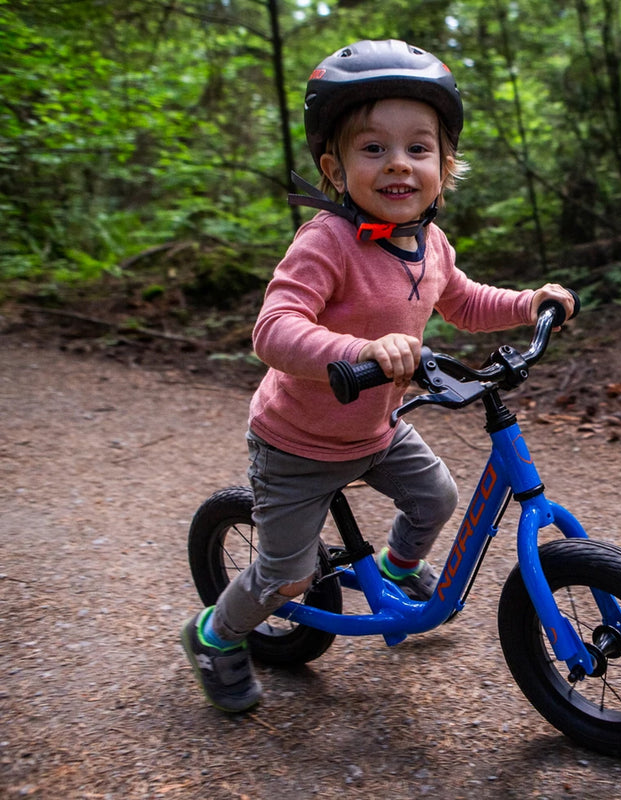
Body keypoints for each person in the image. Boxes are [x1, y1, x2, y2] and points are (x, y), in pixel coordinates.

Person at [181, 39, 575, 713]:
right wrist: (361, 348)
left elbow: (463, 300)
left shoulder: (432, 242)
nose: (398, 163)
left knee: (437, 498)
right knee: (288, 576)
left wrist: (527, 303)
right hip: (298, 444)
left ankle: (394, 569)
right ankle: (214, 635)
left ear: (444, 168)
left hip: (377, 427)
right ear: (335, 168)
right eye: (373, 149)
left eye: (418, 149)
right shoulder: (325, 241)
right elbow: (273, 330)